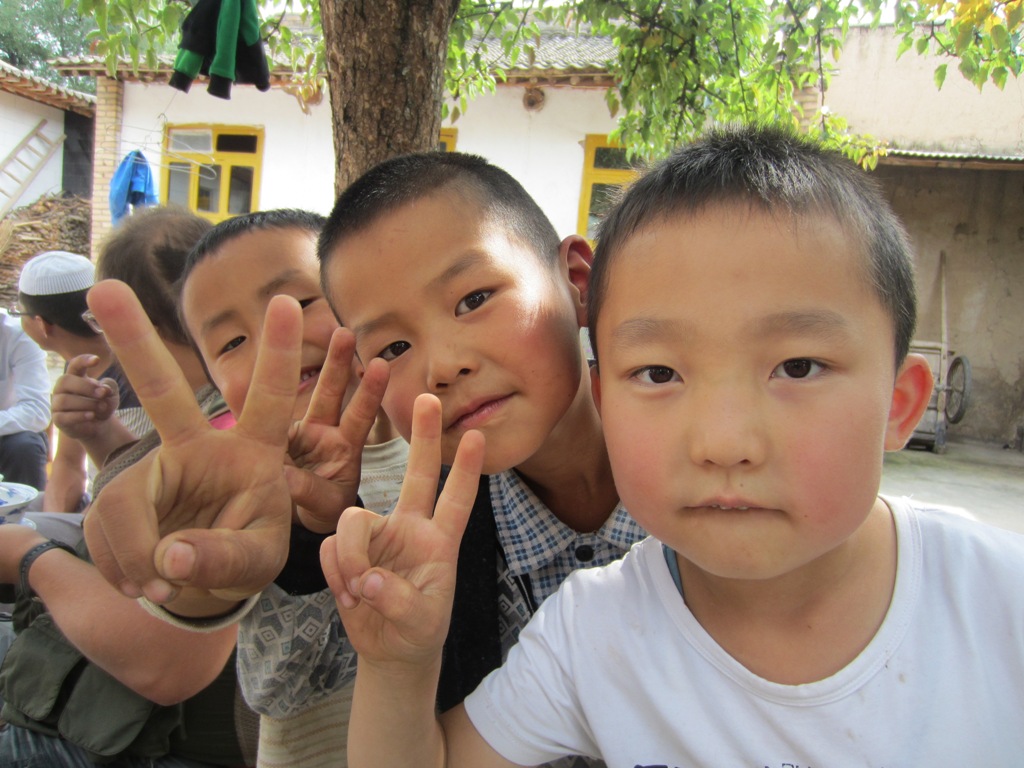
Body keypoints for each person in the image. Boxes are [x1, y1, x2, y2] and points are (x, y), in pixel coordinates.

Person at [324, 125, 1024, 766]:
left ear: (902, 404)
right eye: (659, 374)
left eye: (798, 367)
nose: (724, 443)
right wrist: (398, 668)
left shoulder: (997, 599)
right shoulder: (589, 633)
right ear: (609, 396)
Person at [83, 155, 646, 767]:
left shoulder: (723, 470)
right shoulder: (421, 535)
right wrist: (299, 540)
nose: (442, 364)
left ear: (577, 280)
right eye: (396, 346)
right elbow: (302, 676)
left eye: (474, 298)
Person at [85, 209, 399, 768]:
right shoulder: (245, 486)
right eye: (230, 342)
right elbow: (275, 682)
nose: (272, 342)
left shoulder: (446, 443)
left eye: (301, 304)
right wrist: (288, 543)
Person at [0, 209, 260, 767]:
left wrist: (31, 557)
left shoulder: (241, 434)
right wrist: (102, 437)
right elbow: (162, 499)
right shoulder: (216, 407)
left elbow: (165, 666)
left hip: (172, 737)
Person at [13, 250, 149, 513]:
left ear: (42, 324)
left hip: (124, 511)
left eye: (20, 313)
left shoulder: (133, 371)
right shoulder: (78, 367)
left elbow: (139, 484)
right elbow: (67, 464)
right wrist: (53, 529)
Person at [0, 309, 50, 491]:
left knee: (24, 445)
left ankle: (26, 515)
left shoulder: (17, 335)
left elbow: (37, 410)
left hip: (4, 436)